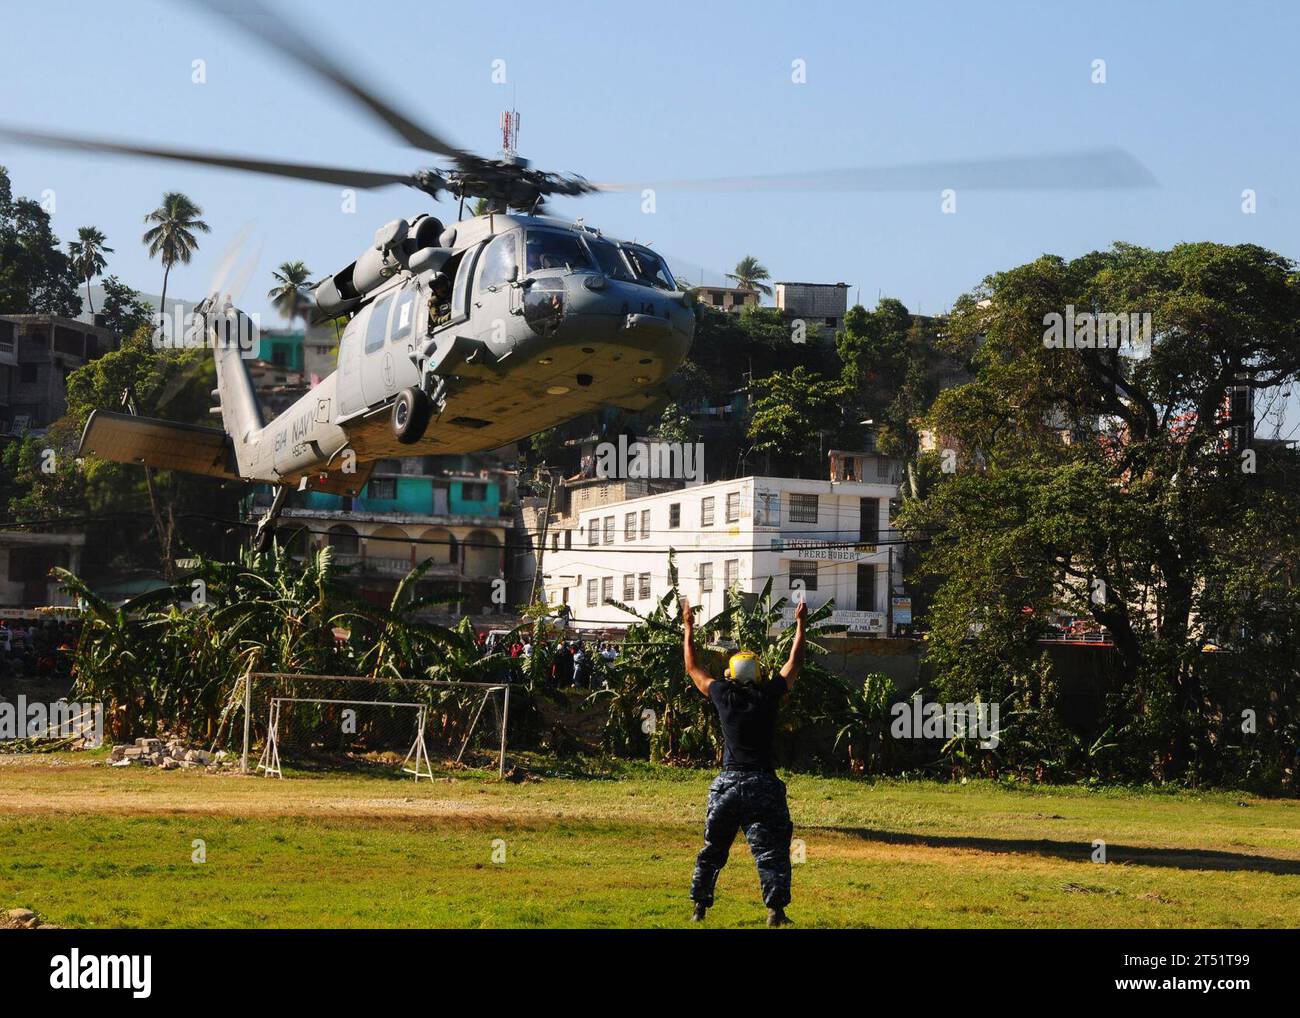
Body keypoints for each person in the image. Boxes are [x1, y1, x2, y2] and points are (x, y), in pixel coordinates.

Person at [682, 597, 807, 927]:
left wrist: (689, 628)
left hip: (727, 785)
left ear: (731, 674)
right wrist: (800, 625)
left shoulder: (723, 695)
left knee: (713, 850)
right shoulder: (770, 696)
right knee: (772, 851)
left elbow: (693, 668)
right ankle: (775, 912)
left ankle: (699, 908)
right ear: (759, 674)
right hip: (763, 784)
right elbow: (794, 663)